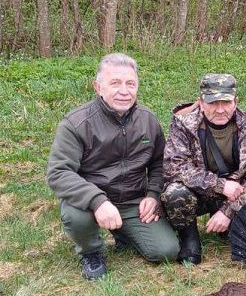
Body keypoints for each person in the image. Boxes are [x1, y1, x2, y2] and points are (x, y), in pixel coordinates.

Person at [47, 53, 180, 279]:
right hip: (89, 202)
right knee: (76, 217)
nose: (124, 91)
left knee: (166, 251)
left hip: (133, 201)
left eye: (130, 84)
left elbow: (160, 162)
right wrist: (98, 201)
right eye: (115, 83)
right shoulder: (76, 123)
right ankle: (91, 252)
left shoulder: (148, 120)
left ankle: (124, 233)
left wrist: (153, 194)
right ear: (98, 87)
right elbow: (58, 172)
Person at [161, 74, 246, 264]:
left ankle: (225, 222)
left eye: (226, 102)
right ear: (201, 102)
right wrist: (220, 185)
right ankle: (189, 238)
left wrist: (229, 211)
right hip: (198, 192)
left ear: (235, 101)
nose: (220, 109)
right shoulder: (184, 124)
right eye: (213, 103)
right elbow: (175, 166)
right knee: (175, 192)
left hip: (234, 195)